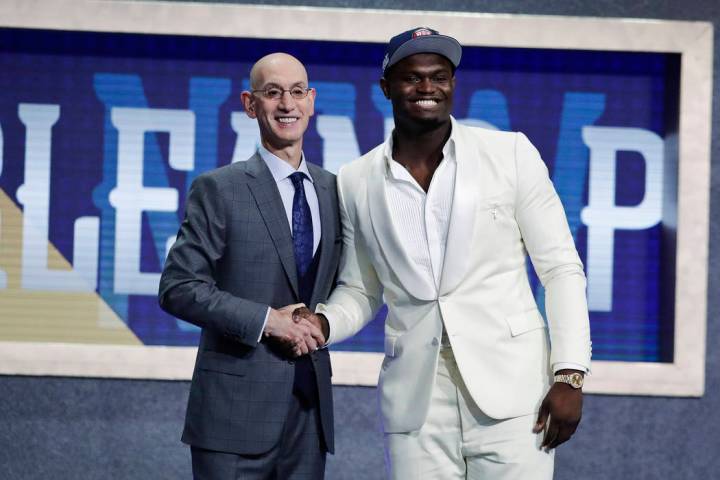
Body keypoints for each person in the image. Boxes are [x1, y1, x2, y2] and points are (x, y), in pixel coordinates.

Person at [297, 28, 591, 479]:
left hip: (514, 393)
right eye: (413, 78)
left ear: (453, 84)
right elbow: (361, 288)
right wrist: (321, 322)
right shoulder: (355, 180)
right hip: (416, 399)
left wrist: (569, 374)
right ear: (386, 88)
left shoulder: (509, 153)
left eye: (439, 77)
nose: (427, 88)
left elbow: (561, 269)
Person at [159, 52, 341, 479]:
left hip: (308, 413)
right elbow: (178, 287)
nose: (287, 104)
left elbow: (349, 285)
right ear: (249, 104)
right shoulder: (219, 188)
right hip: (231, 418)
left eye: (297, 92)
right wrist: (268, 321)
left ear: (311, 101)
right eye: (272, 92)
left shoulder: (336, 191)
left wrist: (324, 322)